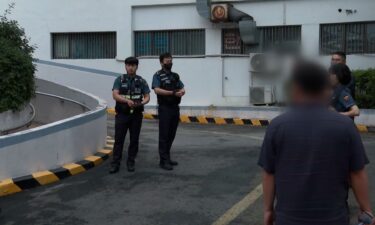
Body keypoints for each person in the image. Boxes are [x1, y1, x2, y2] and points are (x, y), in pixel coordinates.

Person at [258, 61, 374, 225]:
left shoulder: (277, 126)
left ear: (295, 89)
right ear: (326, 90)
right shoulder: (345, 126)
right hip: (334, 219)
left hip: (288, 220)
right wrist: (366, 210)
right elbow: (357, 173)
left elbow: (269, 173)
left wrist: (268, 210)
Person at [109, 57, 150, 173]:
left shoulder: (141, 81)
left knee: (134, 140)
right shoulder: (120, 80)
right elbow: (115, 95)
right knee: (119, 140)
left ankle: (131, 161)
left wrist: (141, 103)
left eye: (133, 65)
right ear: (125, 66)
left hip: (136, 115)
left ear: (137, 67)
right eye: (128, 65)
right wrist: (126, 101)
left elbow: (147, 96)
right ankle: (115, 163)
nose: (131, 67)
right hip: (122, 115)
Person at [152, 52, 185, 171]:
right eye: (167, 60)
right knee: (164, 135)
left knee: (171, 134)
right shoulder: (157, 75)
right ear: (161, 62)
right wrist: (172, 93)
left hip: (175, 107)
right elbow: (156, 90)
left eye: (170, 60)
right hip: (164, 108)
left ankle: (167, 157)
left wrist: (182, 92)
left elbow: (182, 87)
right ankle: (163, 161)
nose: (169, 62)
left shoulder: (175, 75)